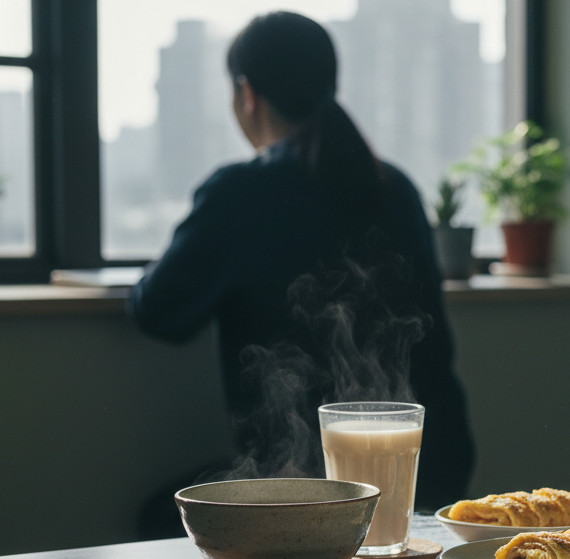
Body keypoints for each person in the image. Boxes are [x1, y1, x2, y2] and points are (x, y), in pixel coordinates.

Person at [129, 11, 475, 531]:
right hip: (435, 466)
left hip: (305, 481)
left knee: (159, 519)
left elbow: (158, 312)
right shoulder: (395, 187)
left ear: (247, 94)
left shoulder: (240, 193)